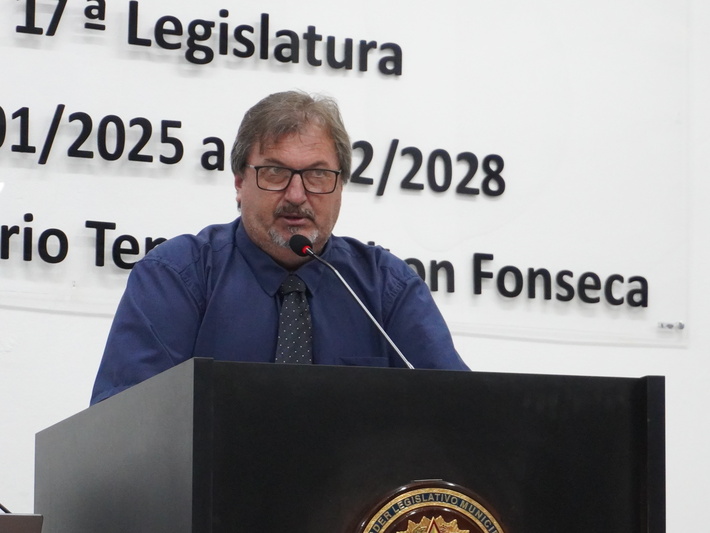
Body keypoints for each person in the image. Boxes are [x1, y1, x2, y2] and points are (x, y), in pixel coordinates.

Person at [90, 91, 468, 404]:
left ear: (340, 186)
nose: (296, 195)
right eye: (275, 173)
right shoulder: (177, 277)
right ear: (239, 183)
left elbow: (462, 415)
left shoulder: (386, 288)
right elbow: (124, 425)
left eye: (318, 174)